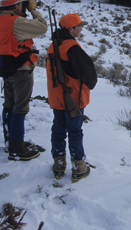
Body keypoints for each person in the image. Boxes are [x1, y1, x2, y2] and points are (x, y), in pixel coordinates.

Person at [0, 0, 48, 161]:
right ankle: (17, 148)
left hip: (5, 68)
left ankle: (11, 140)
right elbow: (42, 27)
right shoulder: (16, 22)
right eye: (21, 4)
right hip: (21, 69)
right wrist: (33, 10)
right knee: (20, 108)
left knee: (9, 105)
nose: (23, 6)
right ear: (16, 6)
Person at [46, 13, 97, 182]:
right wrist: (89, 84)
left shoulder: (52, 46)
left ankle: (58, 164)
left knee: (58, 129)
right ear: (71, 29)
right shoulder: (72, 47)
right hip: (73, 97)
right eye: (79, 26)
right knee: (75, 131)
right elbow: (88, 72)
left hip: (57, 97)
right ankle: (79, 167)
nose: (81, 29)